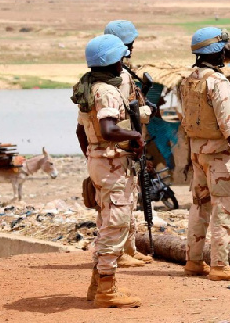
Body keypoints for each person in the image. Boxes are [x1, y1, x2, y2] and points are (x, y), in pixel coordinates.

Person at [74, 34, 143, 308]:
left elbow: (81, 131)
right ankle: (106, 290)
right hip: (112, 164)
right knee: (115, 224)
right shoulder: (108, 92)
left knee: (106, 222)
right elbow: (108, 129)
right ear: (114, 62)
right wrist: (135, 135)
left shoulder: (88, 87)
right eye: (120, 59)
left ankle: (96, 285)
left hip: (100, 161)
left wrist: (93, 156)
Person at [179, 27, 230, 281]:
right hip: (218, 153)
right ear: (216, 51)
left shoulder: (189, 79)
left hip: (197, 151)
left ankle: (194, 260)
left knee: (199, 206)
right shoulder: (217, 82)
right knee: (222, 208)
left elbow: (187, 119)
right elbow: (229, 124)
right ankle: (219, 265)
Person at [104, 20, 154, 268]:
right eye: (129, 43)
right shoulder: (119, 78)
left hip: (125, 145)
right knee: (119, 203)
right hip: (121, 146)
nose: (132, 46)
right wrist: (146, 112)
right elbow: (125, 114)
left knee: (129, 199)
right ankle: (119, 253)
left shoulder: (119, 73)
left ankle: (128, 248)